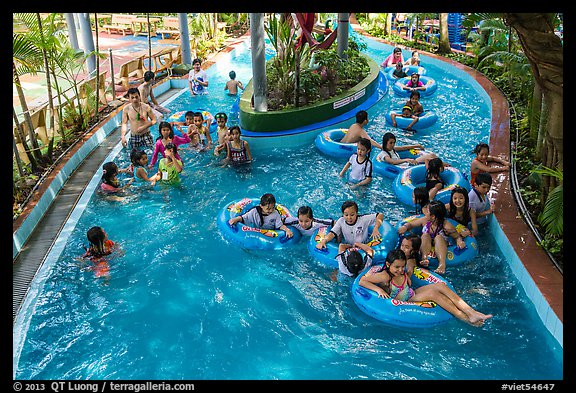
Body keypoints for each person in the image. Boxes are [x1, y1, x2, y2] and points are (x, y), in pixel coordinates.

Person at [359, 249, 493, 326]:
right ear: (388, 265)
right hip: (405, 302)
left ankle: (470, 311)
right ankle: (465, 318)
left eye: (402, 266)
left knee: (440, 286)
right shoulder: (384, 276)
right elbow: (362, 281)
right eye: (397, 267)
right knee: (435, 296)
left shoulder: (403, 270)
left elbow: (409, 269)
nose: (400, 270)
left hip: (411, 294)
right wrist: (379, 290)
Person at [315, 200, 385, 251]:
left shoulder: (363, 219)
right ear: (343, 214)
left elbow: (380, 215)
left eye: (352, 215)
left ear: (356, 213)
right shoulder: (341, 221)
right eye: (346, 215)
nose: (349, 218)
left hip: (364, 246)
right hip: (348, 246)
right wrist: (323, 241)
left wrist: (375, 228)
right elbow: (332, 233)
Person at [420, 200, 466, 275]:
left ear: (433, 216)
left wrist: (460, 242)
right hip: (429, 243)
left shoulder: (447, 226)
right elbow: (412, 224)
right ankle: (424, 258)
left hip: (441, 244)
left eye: (427, 211)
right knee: (425, 235)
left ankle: (442, 264)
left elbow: (457, 237)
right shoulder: (426, 221)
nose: (425, 211)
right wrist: (406, 226)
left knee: (438, 237)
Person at [227, 193, 294, 238]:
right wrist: (235, 219)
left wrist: (287, 230)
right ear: (261, 206)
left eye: (273, 208)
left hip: (272, 233)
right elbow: (243, 218)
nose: (271, 211)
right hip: (257, 232)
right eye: (268, 208)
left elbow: (280, 226)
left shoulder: (275, 214)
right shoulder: (254, 212)